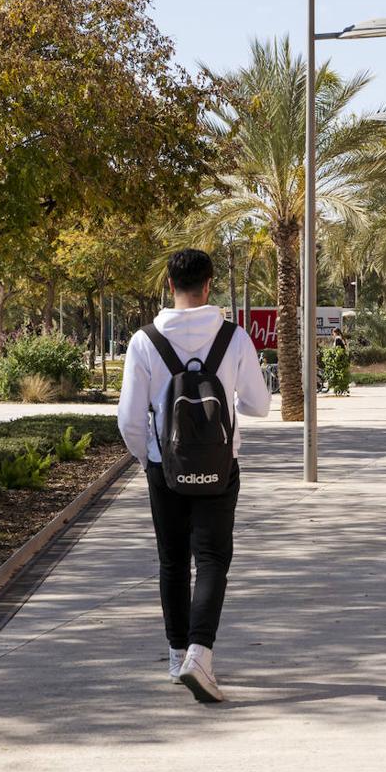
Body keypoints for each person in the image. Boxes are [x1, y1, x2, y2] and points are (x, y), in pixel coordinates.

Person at [117, 248, 271, 704]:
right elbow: (259, 404)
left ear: (170, 286)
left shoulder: (144, 340)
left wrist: (150, 462)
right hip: (220, 469)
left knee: (171, 561)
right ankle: (201, 653)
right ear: (209, 287)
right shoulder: (234, 337)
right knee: (212, 560)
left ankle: (176, 652)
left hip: (166, 468)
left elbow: (128, 419)